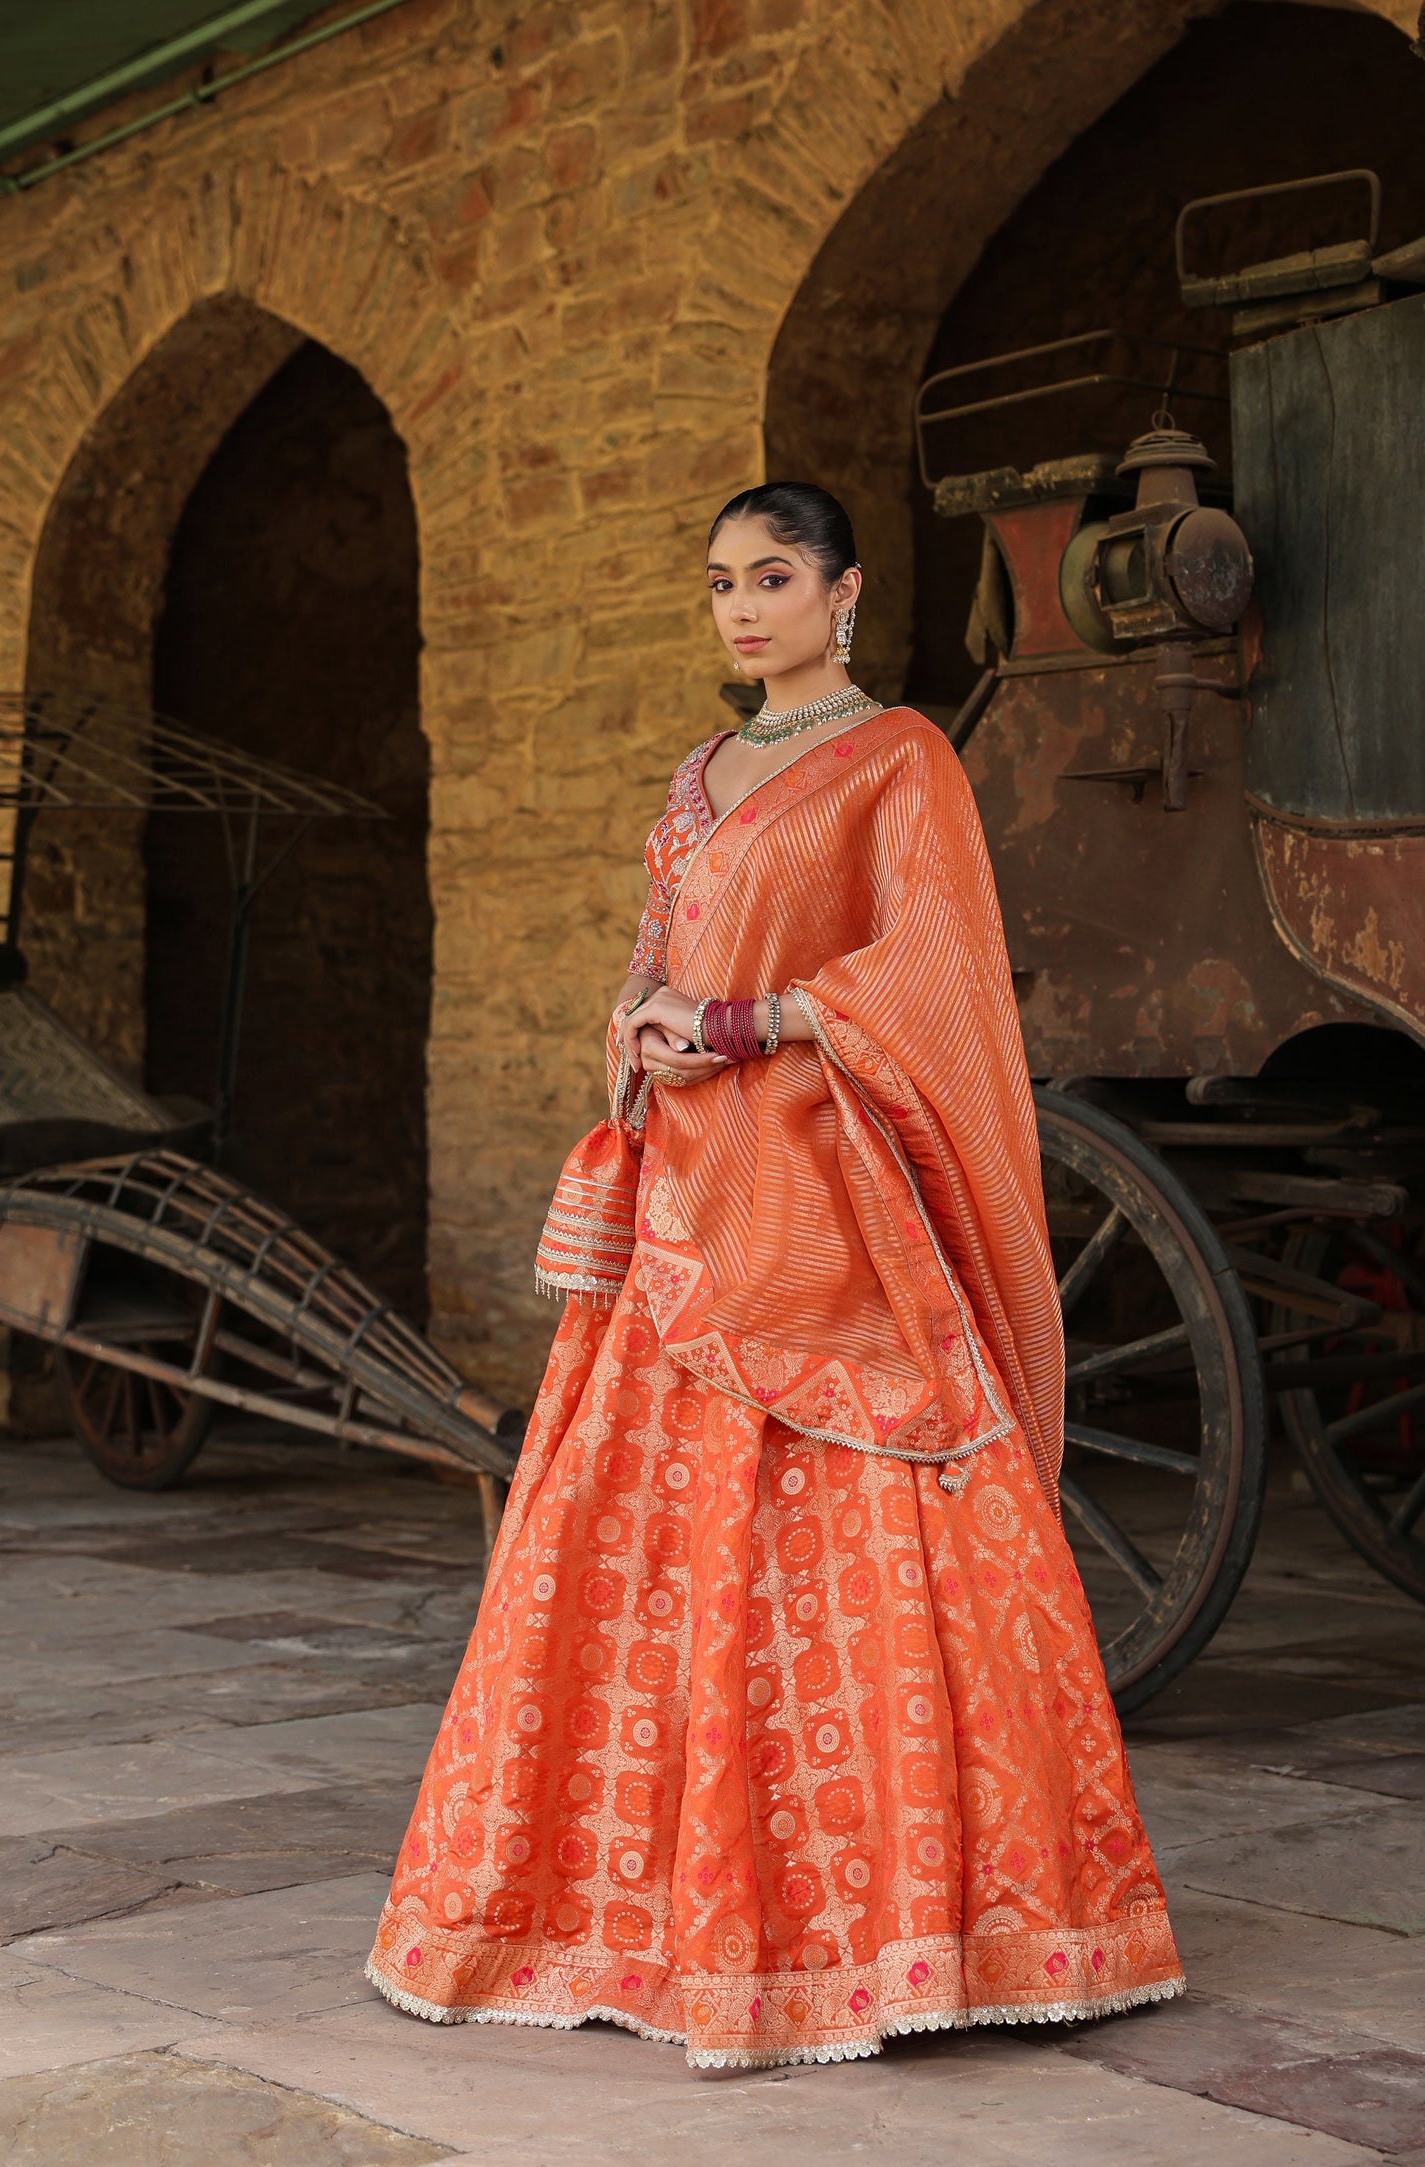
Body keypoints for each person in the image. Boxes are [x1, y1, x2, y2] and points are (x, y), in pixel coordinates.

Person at [366, 482, 1183, 2068]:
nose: (742, 609)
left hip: (827, 1188)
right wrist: (645, 1028)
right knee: (629, 1553)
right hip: (690, 1182)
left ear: (842, 592)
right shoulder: (701, 773)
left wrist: (748, 1023)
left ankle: (918, 1928)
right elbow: (652, 951)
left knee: (877, 1543)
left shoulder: (898, 759)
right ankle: (617, 1920)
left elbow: (932, 968)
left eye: (772, 578)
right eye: (720, 583)